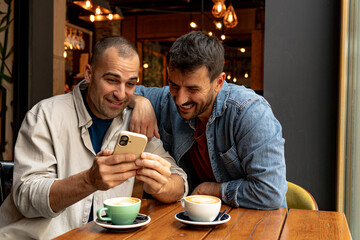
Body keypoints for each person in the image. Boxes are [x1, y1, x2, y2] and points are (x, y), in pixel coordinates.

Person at [0, 36, 187, 239]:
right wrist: (89, 180)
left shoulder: (134, 123)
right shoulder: (45, 115)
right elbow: (26, 198)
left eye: (130, 84)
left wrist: (162, 185)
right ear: (88, 74)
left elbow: (180, 181)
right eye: (112, 80)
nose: (121, 94)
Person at [131, 31, 287, 210]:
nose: (180, 100)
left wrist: (213, 189)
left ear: (219, 82)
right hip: (196, 222)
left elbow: (270, 193)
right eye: (174, 85)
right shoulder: (167, 100)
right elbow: (118, 91)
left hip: (257, 223)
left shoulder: (249, 112)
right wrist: (139, 101)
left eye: (193, 89)